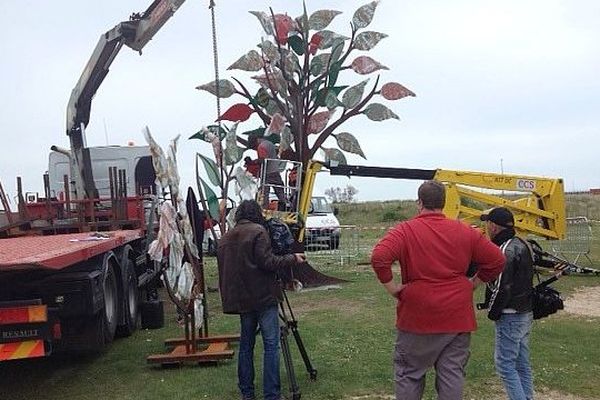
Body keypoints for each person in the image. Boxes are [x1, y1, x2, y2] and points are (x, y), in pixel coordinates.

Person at [371, 180, 506, 400]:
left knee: (409, 374)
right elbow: (497, 259)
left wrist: (393, 289)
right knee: (452, 374)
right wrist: (473, 283)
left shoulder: (405, 231)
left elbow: (379, 257)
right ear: (443, 203)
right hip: (457, 317)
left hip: (417, 316)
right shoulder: (465, 231)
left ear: (420, 202)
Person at [217, 200, 305, 400]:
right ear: (257, 213)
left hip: (242, 300)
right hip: (263, 297)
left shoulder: (226, 237)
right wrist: (293, 258)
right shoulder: (258, 232)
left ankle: (247, 393)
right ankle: (271, 394)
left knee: (246, 345)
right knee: (271, 345)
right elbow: (268, 262)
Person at [480, 207, 535, 400]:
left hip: (510, 315)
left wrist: (492, 312)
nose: (486, 227)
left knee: (505, 366)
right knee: (521, 364)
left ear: (494, 226)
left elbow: (502, 287)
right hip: (526, 312)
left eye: (487, 223)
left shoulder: (505, 250)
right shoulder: (523, 243)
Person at [247, 134, 287, 209]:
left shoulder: (261, 147)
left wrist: (252, 162)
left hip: (267, 172)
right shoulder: (269, 143)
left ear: (255, 142)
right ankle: (284, 205)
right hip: (275, 170)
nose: (254, 149)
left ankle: (264, 208)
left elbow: (263, 159)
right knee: (279, 189)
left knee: (264, 192)